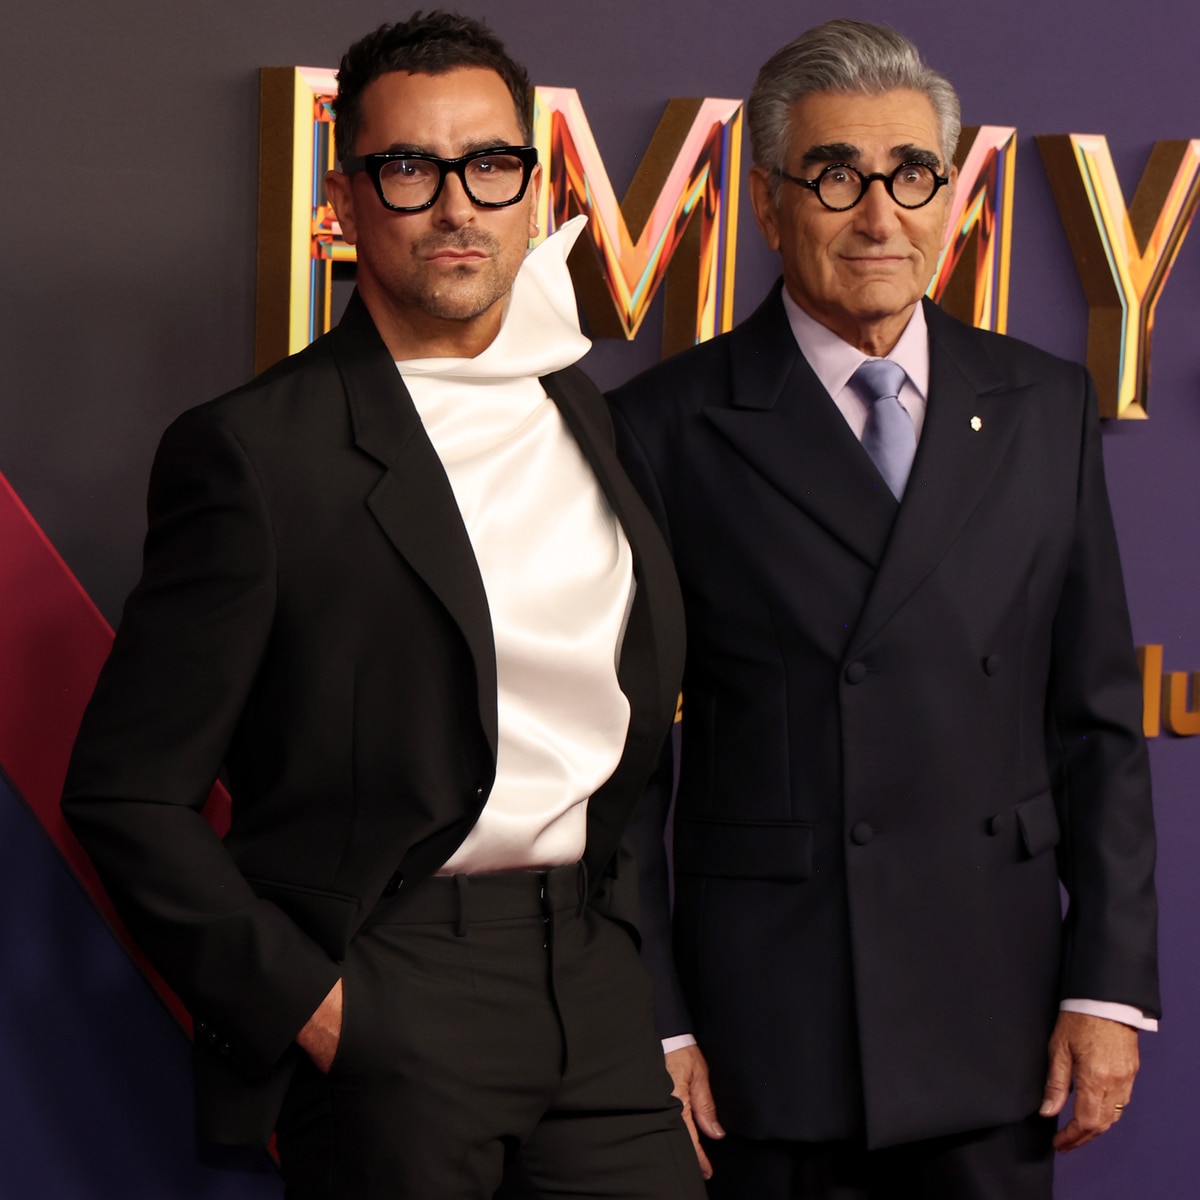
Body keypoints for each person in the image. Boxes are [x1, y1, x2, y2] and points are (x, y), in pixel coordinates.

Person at [61, 13, 706, 1200]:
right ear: (349, 201)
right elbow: (125, 792)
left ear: (532, 187)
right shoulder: (255, 454)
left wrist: (641, 987)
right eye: (411, 168)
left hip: (598, 998)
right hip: (396, 1000)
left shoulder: (588, 413)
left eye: (490, 165)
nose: (457, 204)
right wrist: (315, 1012)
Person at [608, 19, 1159, 1200]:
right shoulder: (666, 428)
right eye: (837, 175)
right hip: (774, 1025)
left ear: (949, 195)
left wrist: (1105, 987)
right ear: (768, 205)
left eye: (914, 176)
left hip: (995, 1017)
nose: (880, 215)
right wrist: (653, 1019)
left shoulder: (1044, 405)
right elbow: (626, 769)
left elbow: (1099, 723)